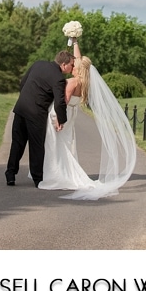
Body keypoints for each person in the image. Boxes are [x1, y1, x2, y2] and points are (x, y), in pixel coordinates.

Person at [38, 39, 137, 200]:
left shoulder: (71, 82)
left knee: (55, 144)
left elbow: (64, 101)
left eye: (74, 65)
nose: (72, 65)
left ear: (78, 69)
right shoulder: (85, 82)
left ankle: (56, 174)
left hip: (61, 115)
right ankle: (61, 171)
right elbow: (80, 60)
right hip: (71, 116)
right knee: (65, 144)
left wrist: (57, 119)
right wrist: (74, 42)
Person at [6, 50, 74, 187]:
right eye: (72, 65)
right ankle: (38, 179)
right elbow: (60, 102)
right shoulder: (58, 79)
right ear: (64, 64)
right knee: (36, 146)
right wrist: (62, 120)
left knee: (17, 143)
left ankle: (10, 175)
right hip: (36, 114)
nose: (72, 68)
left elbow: (23, 82)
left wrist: (26, 97)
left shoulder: (38, 64)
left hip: (21, 108)